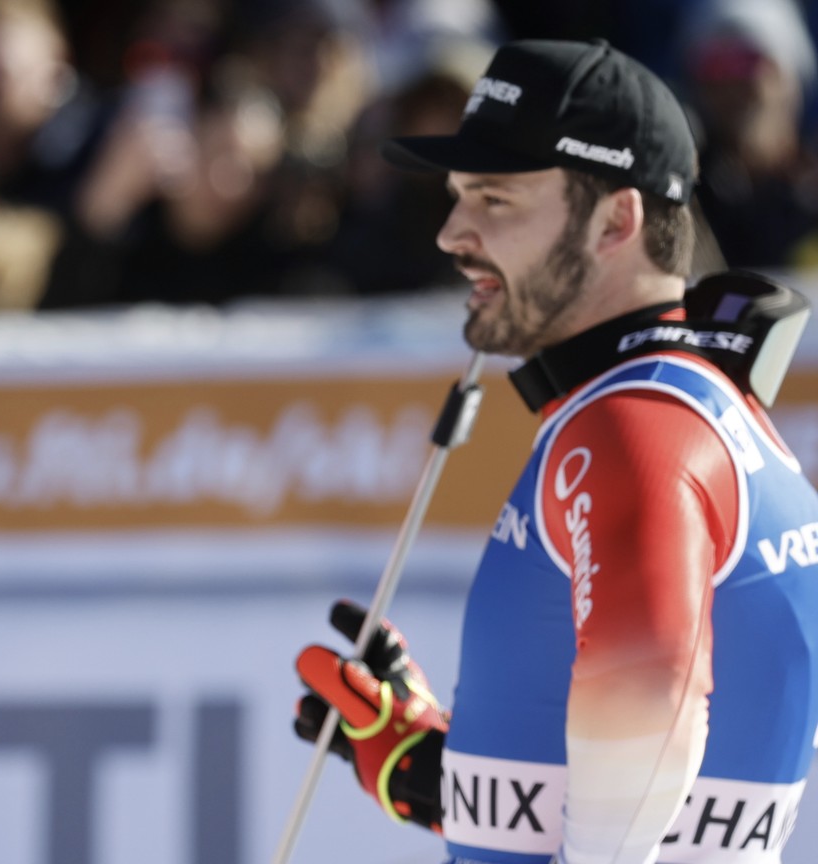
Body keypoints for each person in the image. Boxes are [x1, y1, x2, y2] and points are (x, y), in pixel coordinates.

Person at [292, 39, 818, 863]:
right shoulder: (694, 406)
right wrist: (424, 764)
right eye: (459, 195)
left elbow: (653, 726)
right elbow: (657, 808)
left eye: (495, 200)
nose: (451, 234)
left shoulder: (631, 427)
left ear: (618, 219)